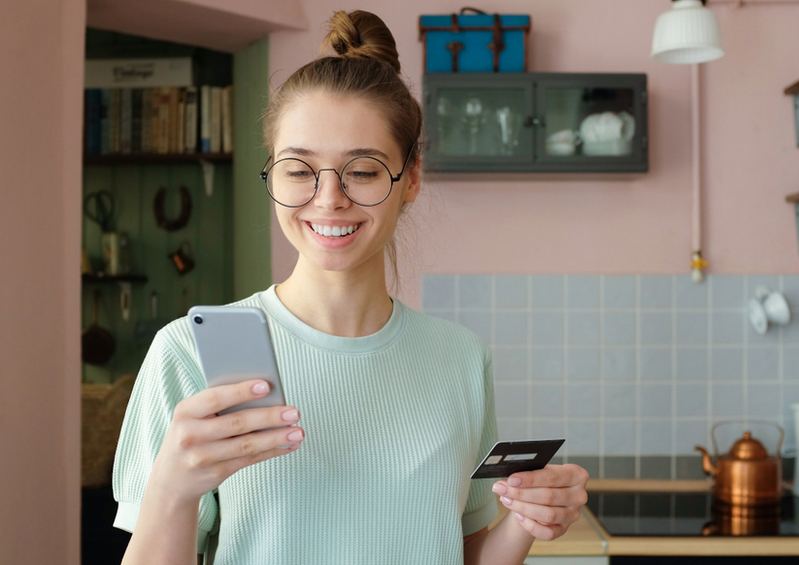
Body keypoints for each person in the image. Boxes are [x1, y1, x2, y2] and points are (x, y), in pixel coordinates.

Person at [112, 10, 588, 565]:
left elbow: (462, 552)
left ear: (410, 178)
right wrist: (172, 488)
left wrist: (528, 522)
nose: (329, 198)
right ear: (272, 175)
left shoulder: (460, 358)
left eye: (362, 170)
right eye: (298, 169)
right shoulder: (187, 353)